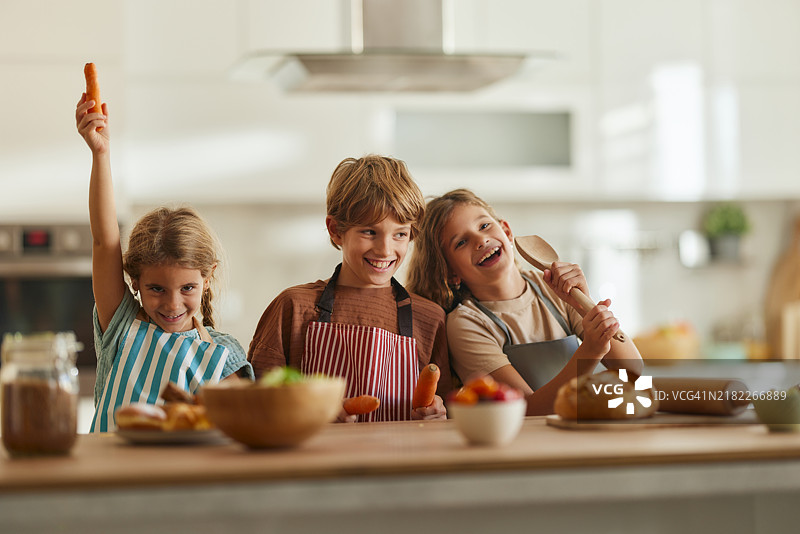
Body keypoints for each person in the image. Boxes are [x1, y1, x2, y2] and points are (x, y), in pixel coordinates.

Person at [75, 93, 254, 432]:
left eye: (187, 288)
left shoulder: (222, 352)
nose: (172, 304)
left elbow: (242, 421)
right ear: (135, 282)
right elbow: (104, 240)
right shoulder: (121, 325)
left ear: (207, 279)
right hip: (106, 467)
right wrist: (101, 153)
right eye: (156, 288)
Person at [248, 155, 451, 422]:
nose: (385, 250)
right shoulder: (293, 307)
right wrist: (310, 412)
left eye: (400, 234)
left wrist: (438, 413)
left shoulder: (430, 318)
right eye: (369, 232)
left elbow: (452, 408)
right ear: (335, 230)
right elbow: (254, 405)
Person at [406, 189, 642, 415]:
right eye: (461, 242)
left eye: (484, 226)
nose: (480, 240)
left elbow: (632, 369)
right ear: (449, 272)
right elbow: (526, 410)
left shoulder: (552, 288)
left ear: (507, 231)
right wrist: (590, 350)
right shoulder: (466, 323)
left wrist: (584, 304)